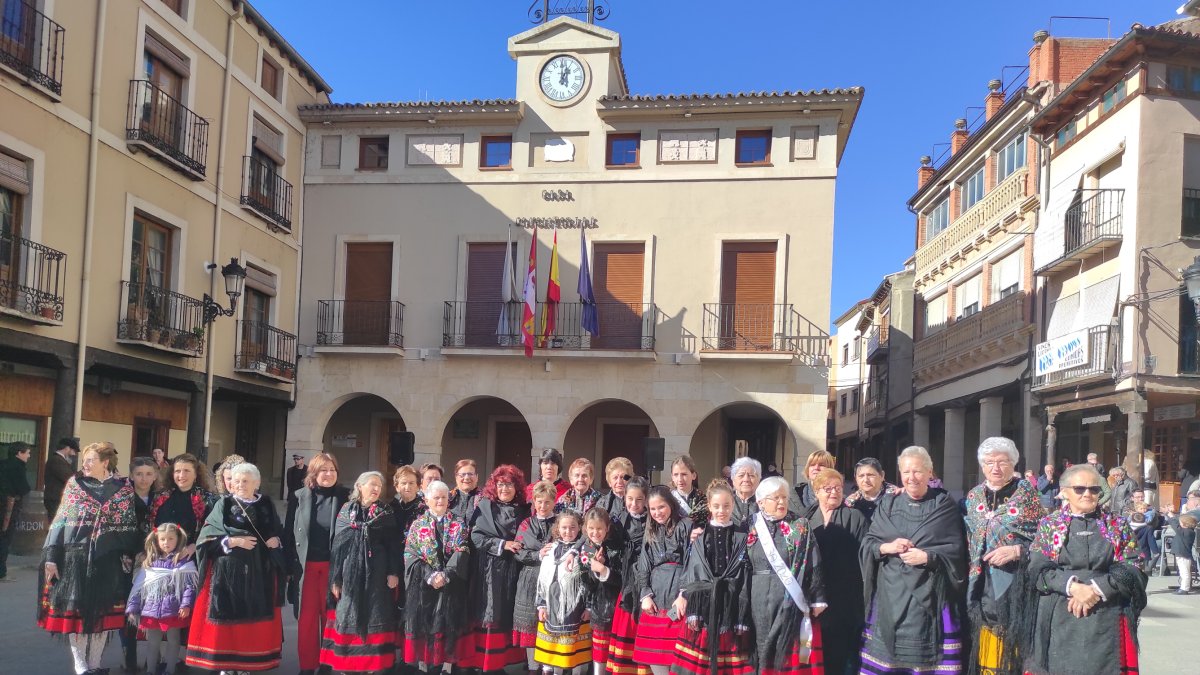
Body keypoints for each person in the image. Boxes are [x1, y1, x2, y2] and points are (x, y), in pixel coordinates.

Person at [1024, 464, 1147, 675]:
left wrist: (1097, 589)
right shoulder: (1049, 524)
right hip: (1058, 614)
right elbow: (1037, 569)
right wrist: (1072, 587)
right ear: (1064, 492)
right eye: (1080, 489)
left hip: (1107, 614)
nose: (1088, 494)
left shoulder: (1116, 525)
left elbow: (1134, 567)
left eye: (1094, 489)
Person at [860, 446, 968, 675]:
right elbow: (869, 543)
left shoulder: (944, 504)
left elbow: (956, 551)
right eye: (906, 472)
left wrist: (928, 557)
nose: (911, 478)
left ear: (930, 473)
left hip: (929, 601)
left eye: (918, 471)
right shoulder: (888, 504)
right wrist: (886, 547)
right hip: (890, 598)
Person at [39, 441, 142, 675]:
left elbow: (129, 526)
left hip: (110, 560)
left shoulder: (124, 489)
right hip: (75, 557)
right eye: (84, 459)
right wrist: (51, 556)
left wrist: (129, 554)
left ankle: (95, 663)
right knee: (78, 612)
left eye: (90, 459)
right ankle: (80, 664)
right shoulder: (75, 484)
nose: (84, 464)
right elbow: (61, 520)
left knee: (104, 614)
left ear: (105, 462)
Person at [185, 462, 286, 673]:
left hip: (260, 572)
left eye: (246, 481)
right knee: (228, 621)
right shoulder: (223, 504)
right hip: (228, 572)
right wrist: (233, 542)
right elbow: (205, 538)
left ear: (256, 483)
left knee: (251, 622)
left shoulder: (267, 503)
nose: (240, 485)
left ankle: (246, 665)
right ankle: (226, 666)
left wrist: (276, 539)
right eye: (237, 481)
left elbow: (278, 530)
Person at [962, 437, 1041, 675]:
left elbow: (1043, 538)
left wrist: (1018, 550)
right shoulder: (974, 496)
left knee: (1013, 644)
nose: (995, 468)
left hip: (1015, 582)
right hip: (980, 581)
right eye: (989, 462)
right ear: (982, 465)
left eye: (1002, 462)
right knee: (984, 640)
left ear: (1013, 463)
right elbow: (968, 534)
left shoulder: (1027, 493)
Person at [319, 471, 402, 674]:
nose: (376, 489)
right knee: (349, 615)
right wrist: (335, 579)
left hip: (378, 575)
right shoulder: (347, 511)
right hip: (349, 575)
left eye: (379, 486)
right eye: (372, 484)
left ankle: (374, 666)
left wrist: (393, 572)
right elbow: (337, 547)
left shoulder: (385, 511)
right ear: (359, 486)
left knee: (376, 616)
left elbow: (393, 545)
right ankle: (350, 667)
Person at [672, 479, 753, 675]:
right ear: (709, 506)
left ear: (733, 504)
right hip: (704, 608)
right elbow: (694, 572)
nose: (722, 510)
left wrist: (742, 614)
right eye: (716, 506)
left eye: (726, 505)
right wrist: (694, 610)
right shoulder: (700, 537)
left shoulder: (743, 536)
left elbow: (744, 576)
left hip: (731, 607)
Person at [750, 475, 826, 675]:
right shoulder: (750, 525)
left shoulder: (799, 525)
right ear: (761, 502)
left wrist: (817, 597)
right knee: (761, 646)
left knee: (785, 652)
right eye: (776, 498)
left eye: (784, 497)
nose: (782, 502)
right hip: (756, 596)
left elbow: (813, 561)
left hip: (789, 597)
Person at [460, 464, 530, 674]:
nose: (504, 489)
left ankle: (509, 663)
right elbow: (477, 536)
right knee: (491, 613)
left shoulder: (525, 509)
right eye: (500, 485)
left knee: (509, 614)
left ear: (516, 487)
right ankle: (486, 663)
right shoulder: (485, 506)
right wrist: (503, 545)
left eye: (509, 484)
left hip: (515, 570)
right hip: (489, 571)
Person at [283, 452, 349, 675]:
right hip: (306, 567)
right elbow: (288, 533)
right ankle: (308, 666)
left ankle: (327, 665)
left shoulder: (345, 496)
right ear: (314, 473)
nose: (328, 474)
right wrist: (288, 568)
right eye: (323, 470)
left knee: (330, 618)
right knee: (307, 620)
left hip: (333, 567)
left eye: (332, 470)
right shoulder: (299, 496)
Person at [403, 480, 470, 673]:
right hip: (425, 588)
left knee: (448, 632)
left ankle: (446, 668)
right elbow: (410, 554)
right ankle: (426, 667)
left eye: (444, 497)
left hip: (451, 586)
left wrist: (446, 574)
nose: (440, 501)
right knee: (427, 632)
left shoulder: (458, 523)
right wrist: (431, 575)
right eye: (436, 498)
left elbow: (462, 550)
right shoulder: (417, 525)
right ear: (426, 500)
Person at [807, 467, 864, 675]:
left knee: (839, 657)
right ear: (817, 492)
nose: (834, 492)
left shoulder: (855, 517)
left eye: (838, 487)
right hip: (812, 598)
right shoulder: (805, 519)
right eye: (827, 488)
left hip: (843, 598)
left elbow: (864, 555)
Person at [632, 485, 691, 675]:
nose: (657, 513)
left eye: (662, 507)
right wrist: (645, 594)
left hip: (677, 597)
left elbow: (692, 563)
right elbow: (644, 564)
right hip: (655, 598)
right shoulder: (650, 531)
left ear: (671, 505)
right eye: (653, 509)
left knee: (677, 656)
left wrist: (684, 594)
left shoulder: (685, 526)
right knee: (655, 657)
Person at [126, 523, 199, 675]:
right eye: (163, 539)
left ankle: (169, 670)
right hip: (151, 611)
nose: (167, 542)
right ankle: (151, 671)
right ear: (157, 541)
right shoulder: (149, 562)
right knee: (152, 643)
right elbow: (139, 588)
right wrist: (133, 607)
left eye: (171, 539)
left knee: (174, 641)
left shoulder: (183, 562)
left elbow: (189, 586)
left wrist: (186, 605)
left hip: (174, 610)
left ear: (178, 539)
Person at [535, 509, 591, 675]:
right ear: (557, 528)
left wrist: (589, 607)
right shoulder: (551, 549)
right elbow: (543, 580)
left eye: (573, 527)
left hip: (576, 604)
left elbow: (589, 581)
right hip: (552, 603)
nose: (568, 531)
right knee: (554, 648)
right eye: (564, 527)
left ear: (580, 528)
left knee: (574, 649)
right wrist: (542, 605)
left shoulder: (583, 550)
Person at [122, 455, 163, 672]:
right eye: (139, 474)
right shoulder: (123, 498)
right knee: (129, 606)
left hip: (156, 557)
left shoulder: (162, 498)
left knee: (154, 607)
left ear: (155, 475)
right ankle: (129, 658)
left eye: (148, 474)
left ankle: (153, 658)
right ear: (131, 475)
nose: (144, 479)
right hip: (127, 557)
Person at [605, 478, 650, 675]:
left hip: (647, 579)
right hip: (626, 580)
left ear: (646, 500)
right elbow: (610, 546)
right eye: (630, 499)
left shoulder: (653, 520)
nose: (634, 504)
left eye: (639, 499)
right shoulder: (618, 520)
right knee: (626, 624)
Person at [515, 481, 562, 671]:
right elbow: (518, 551)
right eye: (539, 502)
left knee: (550, 623)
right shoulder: (526, 524)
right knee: (531, 626)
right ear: (533, 501)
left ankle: (549, 667)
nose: (543, 506)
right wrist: (537, 554)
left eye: (547, 502)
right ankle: (533, 667)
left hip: (554, 580)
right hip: (530, 577)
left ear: (554, 502)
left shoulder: (560, 523)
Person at [150, 453, 217, 557]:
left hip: (191, 556)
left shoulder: (207, 499)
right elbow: (149, 525)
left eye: (187, 471)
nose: (181, 475)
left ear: (195, 474)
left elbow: (212, 530)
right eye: (178, 471)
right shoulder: (160, 497)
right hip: (160, 556)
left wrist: (194, 545)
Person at [580, 507, 621, 675]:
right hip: (598, 605)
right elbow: (587, 583)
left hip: (616, 603)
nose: (595, 533)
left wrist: (605, 568)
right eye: (591, 528)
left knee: (616, 648)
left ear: (607, 529)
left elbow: (621, 578)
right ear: (585, 529)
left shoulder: (615, 547)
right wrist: (594, 570)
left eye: (599, 529)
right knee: (599, 647)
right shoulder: (586, 549)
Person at [0, 443, 32, 583]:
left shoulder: (3, 464)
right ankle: (1, 572)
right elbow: (24, 487)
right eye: (27, 453)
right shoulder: (18, 467)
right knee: (5, 537)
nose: (29, 456)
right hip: (9, 505)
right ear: (19, 453)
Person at [844, 457, 897, 523]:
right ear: (856, 479)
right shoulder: (852, 502)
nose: (866, 480)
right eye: (861, 476)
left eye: (870, 475)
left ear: (882, 476)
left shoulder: (895, 497)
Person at [1167, 490, 1200, 594]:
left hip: (1183, 554)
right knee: (1184, 570)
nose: (1186, 502)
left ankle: (1184, 588)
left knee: (1184, 571)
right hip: (1182, 553)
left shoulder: (1186, 531)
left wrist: (1170, 515)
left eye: (1188, 499)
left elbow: (1176, 526)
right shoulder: (1187, 530)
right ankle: (1183, 586)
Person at [44, 436, 79, 517]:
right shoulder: (57, 460)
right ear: (67, 448)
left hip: (56, 498)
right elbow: (68, 477)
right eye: (73, 450)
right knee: (56, 524)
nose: (74, 454)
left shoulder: (58, 460)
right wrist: (83, 472)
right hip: (55, 498)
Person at [669, 455, 709, 527]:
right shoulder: (668, 498)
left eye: (684, 474)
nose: (680, 479)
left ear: (693, 475)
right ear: (672, 477)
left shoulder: (703, 499)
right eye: (676, 475)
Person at [596, 456, 634, 520]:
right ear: (609, 482)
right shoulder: (602, 503)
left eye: (622, 477)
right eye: (615, 478)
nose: (619, 481)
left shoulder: (638, 500)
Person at [729, 457, 761, 526]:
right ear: (733, 480)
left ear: (758, 480)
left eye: (751, 476)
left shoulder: (764, 502)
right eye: (741, 475)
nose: (746, 479)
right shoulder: (726, 501)